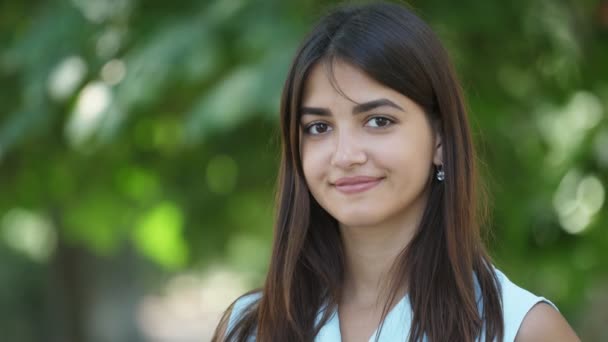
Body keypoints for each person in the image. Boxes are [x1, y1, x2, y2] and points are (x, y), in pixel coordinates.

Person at [212, 2, 580, 341]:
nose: (345, 155)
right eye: (319, 127)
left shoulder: (521, 328)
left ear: (440, 140)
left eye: (378, 120)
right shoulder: (251, 328)